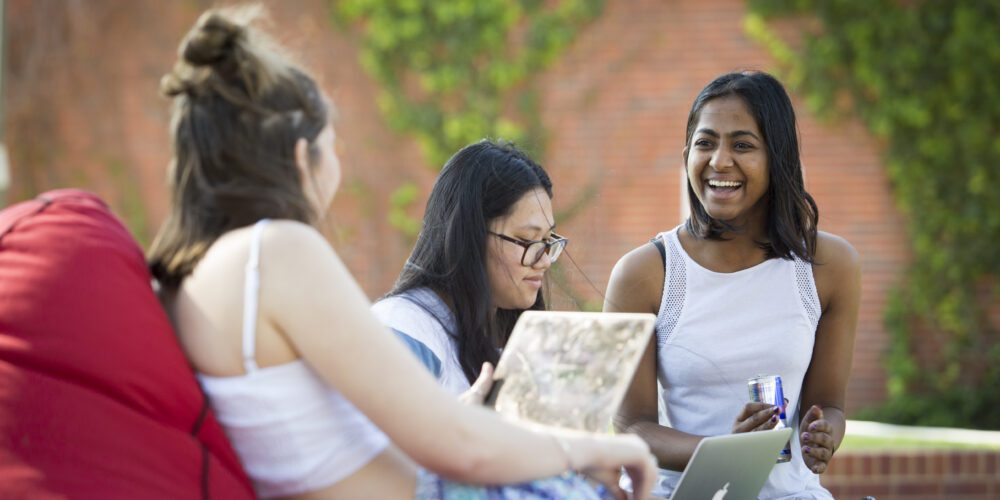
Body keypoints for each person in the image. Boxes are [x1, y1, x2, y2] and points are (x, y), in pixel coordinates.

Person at [147, 7, 656, 499]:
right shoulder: (277, 252)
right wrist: (589, 448)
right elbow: (458, 448)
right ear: (305, 156)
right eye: (334, 146)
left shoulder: (188, 275)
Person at [604, 71, 860, 499]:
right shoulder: (645, 274)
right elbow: (631, 427)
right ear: (687, 154)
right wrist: (724, 453)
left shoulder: (828, 266)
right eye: (706, 143)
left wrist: (823, 433)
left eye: (742, 145)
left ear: (777, 158)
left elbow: (829, 405)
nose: (720, 161)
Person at [372, 140, 567, 395]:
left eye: (546, 241)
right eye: (527, 240)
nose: (544, 260)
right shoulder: (405, 328)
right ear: (468, 237)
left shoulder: (510, 334)